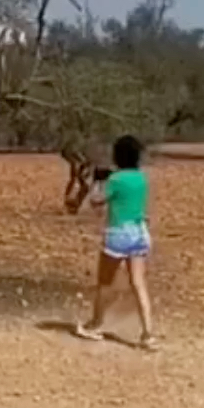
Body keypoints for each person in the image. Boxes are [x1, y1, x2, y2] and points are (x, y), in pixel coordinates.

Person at [74, 134, 159, 351]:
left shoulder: (115, 180)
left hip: (118, 233)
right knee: (138, 283)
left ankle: (95, 324)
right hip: (139, 231)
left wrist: (97, 182)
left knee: (105, 282)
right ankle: (148, 333)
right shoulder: (141, 179)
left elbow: (96, 201)